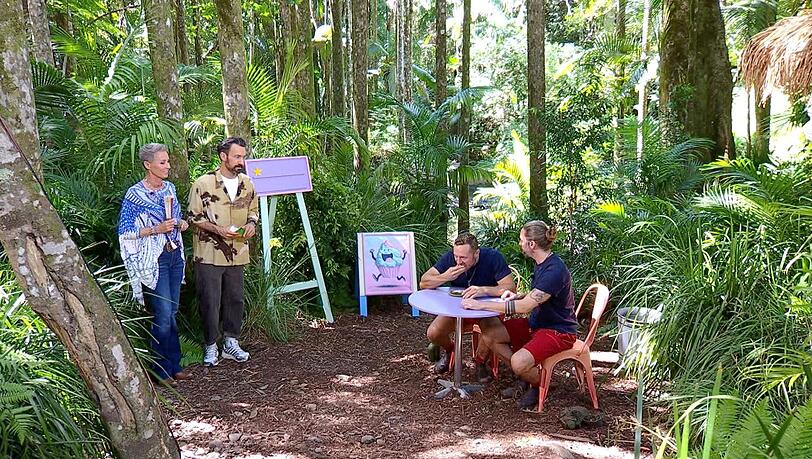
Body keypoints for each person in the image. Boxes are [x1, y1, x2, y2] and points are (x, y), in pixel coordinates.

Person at [461, 220, 578, 410]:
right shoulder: (542, 263)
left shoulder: (554, 270)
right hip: (538, 323)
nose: (519, 243)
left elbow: (525, 307)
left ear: (532, 244)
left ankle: (539, 383)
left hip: (558, 331)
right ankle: (524, 375)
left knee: (518, 361)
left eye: (521, 240)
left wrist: (480, 305)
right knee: (490, 334)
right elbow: (539, 295)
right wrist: (518, 296)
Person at [118, 143, 190, 387]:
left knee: (172, 311)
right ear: (148, 165)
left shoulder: (169, 188)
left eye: (168, 161)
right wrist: (155, 229)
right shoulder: (134, 195)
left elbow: (175, 218)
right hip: (154, 259)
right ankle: (160, 370)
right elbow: (126, 232)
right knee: (162, 313)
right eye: (162, 162)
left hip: (174, 256)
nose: (168, 166)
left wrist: (180, 224)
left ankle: (175, 364)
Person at [188, 137, 258, 366]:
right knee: (210, 300)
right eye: (237, 156)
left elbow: (253, 211)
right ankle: (210, 346)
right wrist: (217, 229)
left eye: (243, 157)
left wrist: (251, 224)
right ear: (223, 156)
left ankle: (231, 342)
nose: (241, 161)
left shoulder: (247, 183)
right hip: (209, 254)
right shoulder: (203, 183)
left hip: (237, 252)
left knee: (235, 299)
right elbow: (193, 217)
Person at [419, 233, 515, 381]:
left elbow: (510, 288)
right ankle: (451, 351)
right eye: (456, 256)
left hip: (486, 309)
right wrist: (445, 277)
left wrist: (483, 290)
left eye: (463, 258)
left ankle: (480, 362)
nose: (458, 261)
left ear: (476, 253)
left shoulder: (493, 258)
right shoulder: (451, 259)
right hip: (457, 309)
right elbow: (423, 283)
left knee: (490, 333)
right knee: (433, 333)